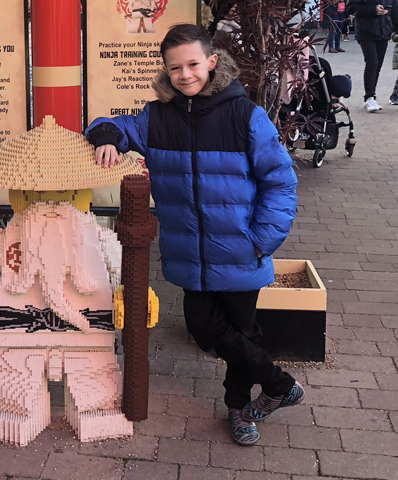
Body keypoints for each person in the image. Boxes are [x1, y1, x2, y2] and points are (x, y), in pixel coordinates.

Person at [84, 24, 304, 446]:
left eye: (192, 64)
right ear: (166, 72)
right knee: (204, 328)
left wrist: (261, 239)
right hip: (190, 255)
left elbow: (280, 181)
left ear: (212, 63)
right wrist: (106, 136)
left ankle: (240, 410)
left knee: (243, 333)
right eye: (175, 68)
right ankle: (279, 386)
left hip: (242, 249)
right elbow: (112, 124)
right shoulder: (158, 117)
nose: (185, 75)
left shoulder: (245, 116)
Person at [347, 0, 398, 112]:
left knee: (377, 66)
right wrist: (373, 10)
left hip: (384, 32)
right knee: (372, 62)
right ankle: (369, 97)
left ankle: (371, 96)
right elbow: (351, 8)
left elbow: (395, 12)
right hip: (365, 32)